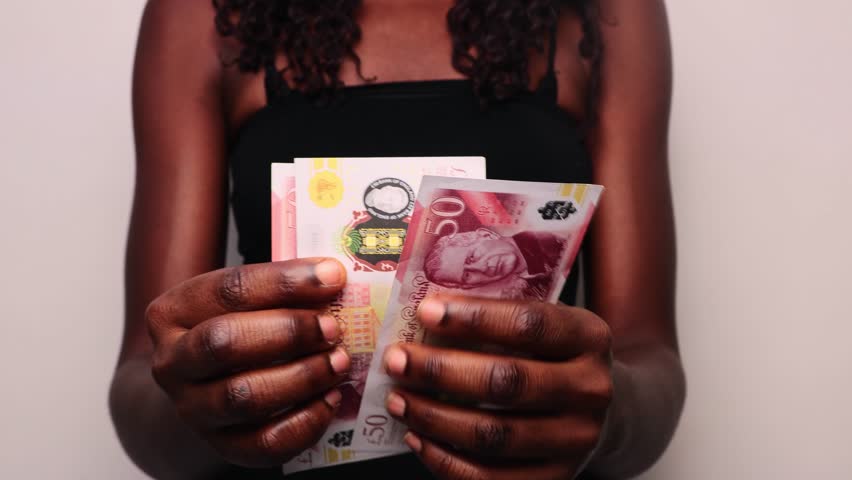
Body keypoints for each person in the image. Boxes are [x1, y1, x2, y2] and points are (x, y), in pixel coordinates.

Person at [110, 0, 685, 479]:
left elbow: (649, 358)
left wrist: (605, 414)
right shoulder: (203, 12)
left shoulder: (604, 11)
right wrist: (199, 402)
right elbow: (143, 380)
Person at [423, 228, 566, 297]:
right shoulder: (531, 291)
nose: (481, 268)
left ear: (486, 234)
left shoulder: (555, 235)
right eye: (466, 275)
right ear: (468, 286)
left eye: (471, 257)